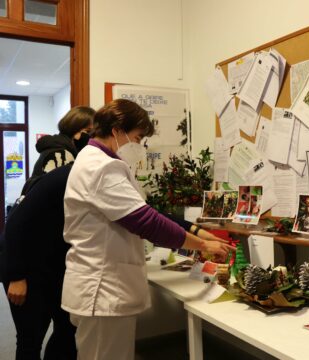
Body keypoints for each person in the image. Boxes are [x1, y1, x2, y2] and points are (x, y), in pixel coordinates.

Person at [61, 99, 234, 359]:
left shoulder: (101, 161)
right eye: (138, 137)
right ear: (117, 129)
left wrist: (199, 233)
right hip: (102, 288)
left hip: (103, 285)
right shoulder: (101, 167)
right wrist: (203, 246)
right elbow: (147, 222)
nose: (140, 146)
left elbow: (148, 212)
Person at [0, 165, 77, 360]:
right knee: (30, 339)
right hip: (22, 269)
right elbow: (14, 225)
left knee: (67, 328)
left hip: (52, 268)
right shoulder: (64, 179)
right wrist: (17, 277)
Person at [22, 106, 95, 194]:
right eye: (88, 131)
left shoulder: (58, 147)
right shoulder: (61, 153)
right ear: (75, 128)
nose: (90, 137)